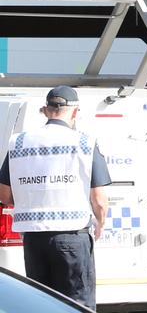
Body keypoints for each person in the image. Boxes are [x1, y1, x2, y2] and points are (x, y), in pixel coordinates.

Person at [0, 86, 111, 310]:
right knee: (76, 303)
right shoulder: (83, 143)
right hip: (71, 237)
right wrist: (101, 222)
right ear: (75, 111)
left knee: (41, 303)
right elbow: (98, 198)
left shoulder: (19, 143)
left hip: (34, 239)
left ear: (45, 110)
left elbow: (4, 194)